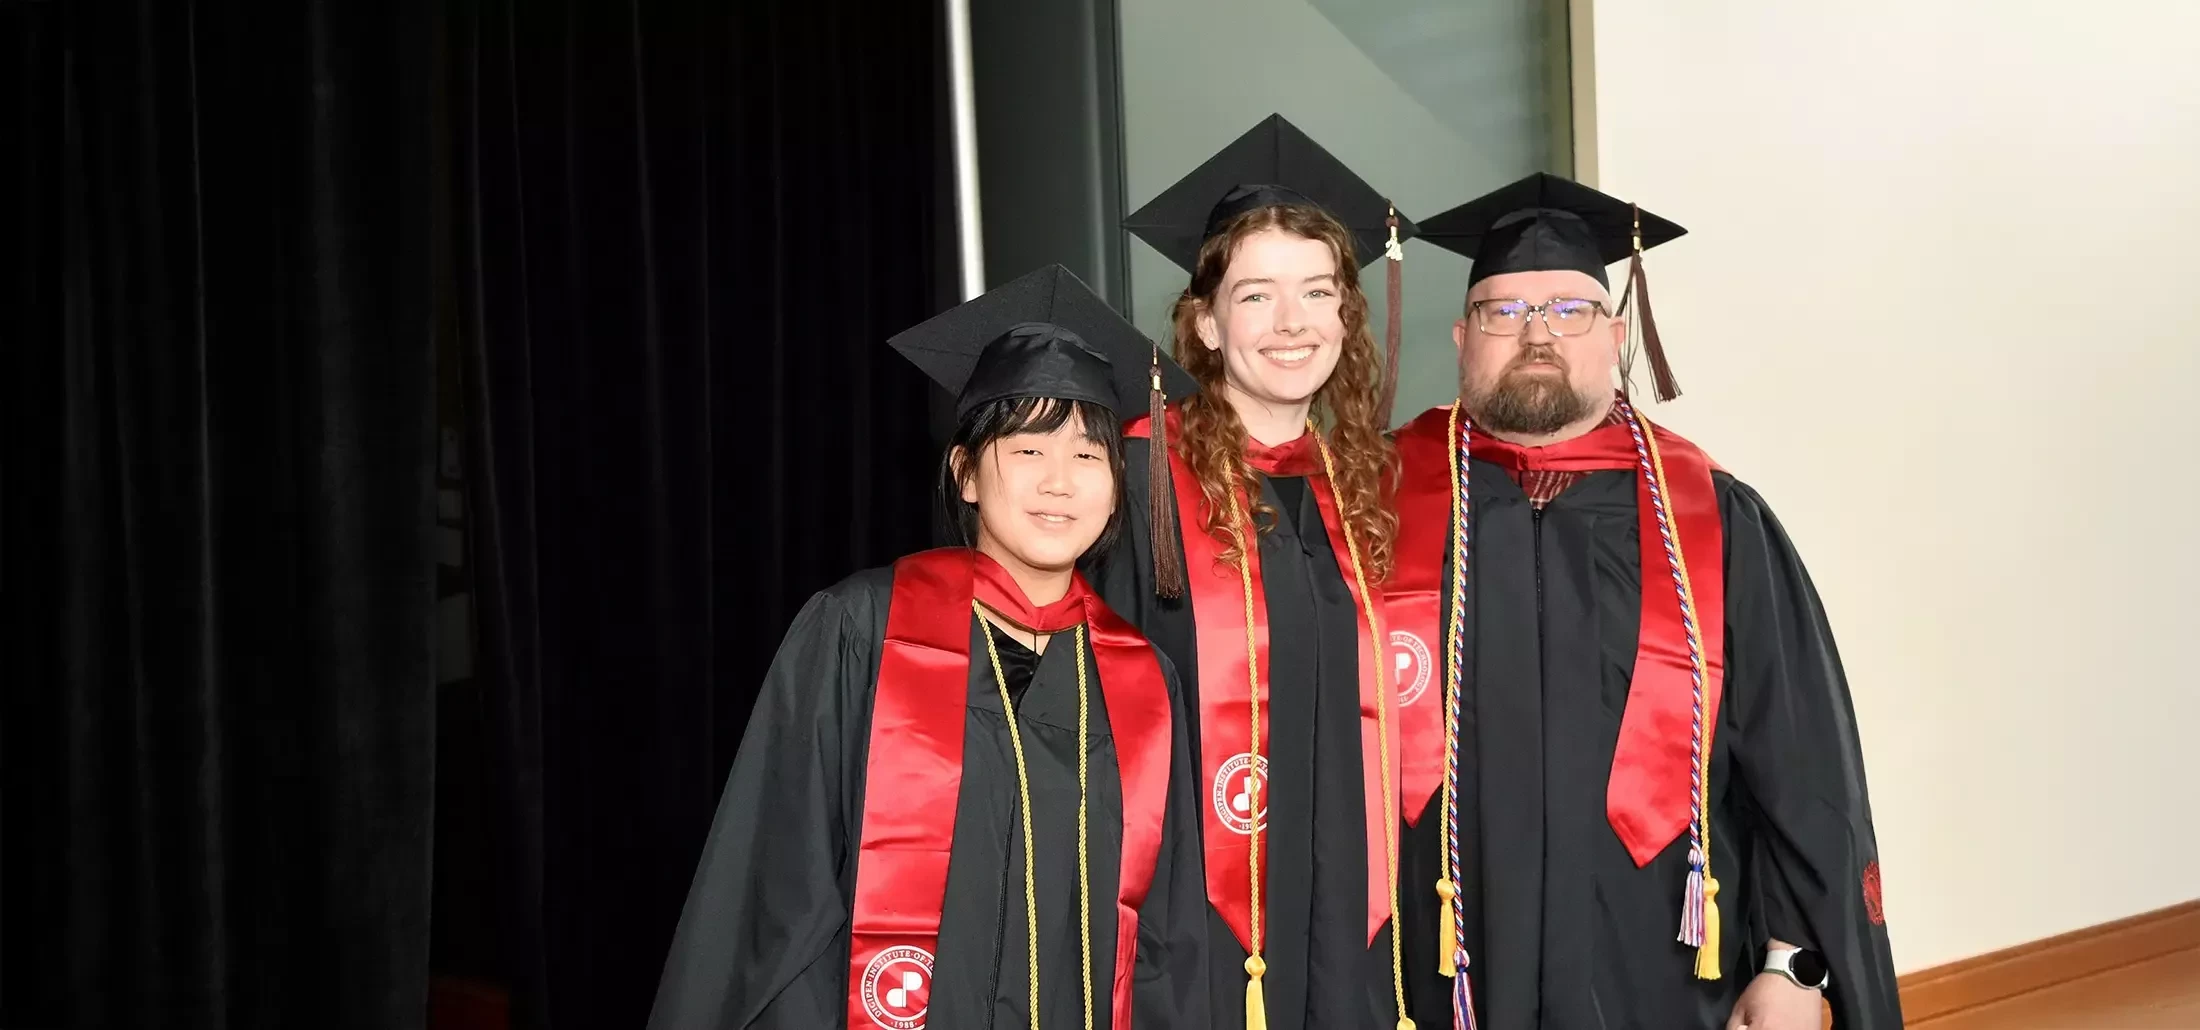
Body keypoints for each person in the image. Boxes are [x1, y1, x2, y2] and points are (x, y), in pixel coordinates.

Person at [1386, 171, 1902, 1029]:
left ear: (1617, 334)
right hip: (1437, 962)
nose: (1537, 333)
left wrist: (1795, 965)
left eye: (1569, 309)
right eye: (1504, 312)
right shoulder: (1380, 506)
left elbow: (1801, 766)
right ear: (1461, 337)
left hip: (1659, 968)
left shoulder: (1711, 516)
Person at [645, 264, 1210, 1030]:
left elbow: (1166, 942)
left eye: (1087, 455)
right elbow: (778, 892)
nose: (1060, 483)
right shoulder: (861, 631)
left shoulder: (1141, 678)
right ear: (966, 472)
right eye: (1028, 450)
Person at [1097, 113, 1424, 1030]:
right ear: (1203, 320)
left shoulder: (1366, 489)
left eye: (1318, 293)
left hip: (1353, 927)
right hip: (1189, 924)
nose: (1293, 324)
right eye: (1256, 296)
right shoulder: (1136, 484)